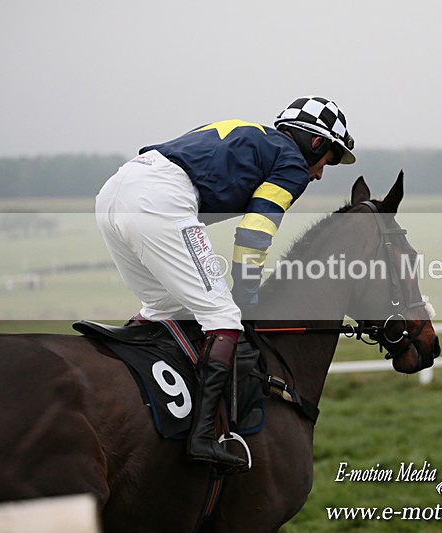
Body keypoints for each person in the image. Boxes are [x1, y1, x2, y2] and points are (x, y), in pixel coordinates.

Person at [95, 96, 355, 470]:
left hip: (114, 192)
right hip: (158, 199)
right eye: (328, 160)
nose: (319, 175)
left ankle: (128, 398)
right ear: (316, 143)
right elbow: (254, 233)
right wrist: (245, 299)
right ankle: (203, 437)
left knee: (163, 310)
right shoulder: (292, 162)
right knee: (225, 319)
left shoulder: (256, 136)